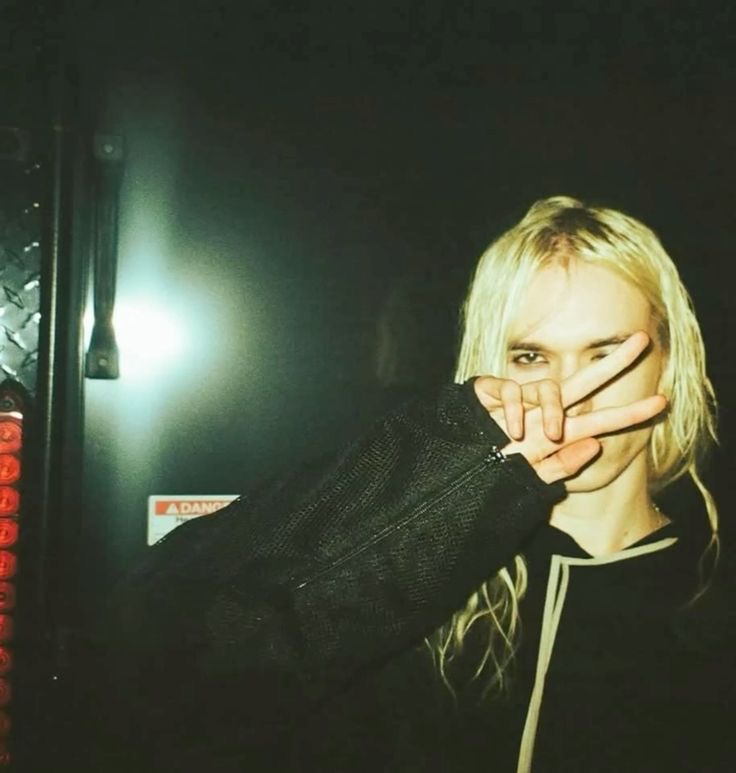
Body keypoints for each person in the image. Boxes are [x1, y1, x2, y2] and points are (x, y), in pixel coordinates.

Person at [81, 196, 733, 772]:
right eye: (532, 357)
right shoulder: (426, 577)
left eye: (607, 354)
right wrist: (459, 465)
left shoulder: (711, 595)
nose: (568, 397)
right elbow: (157, 656)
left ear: (670, 362)